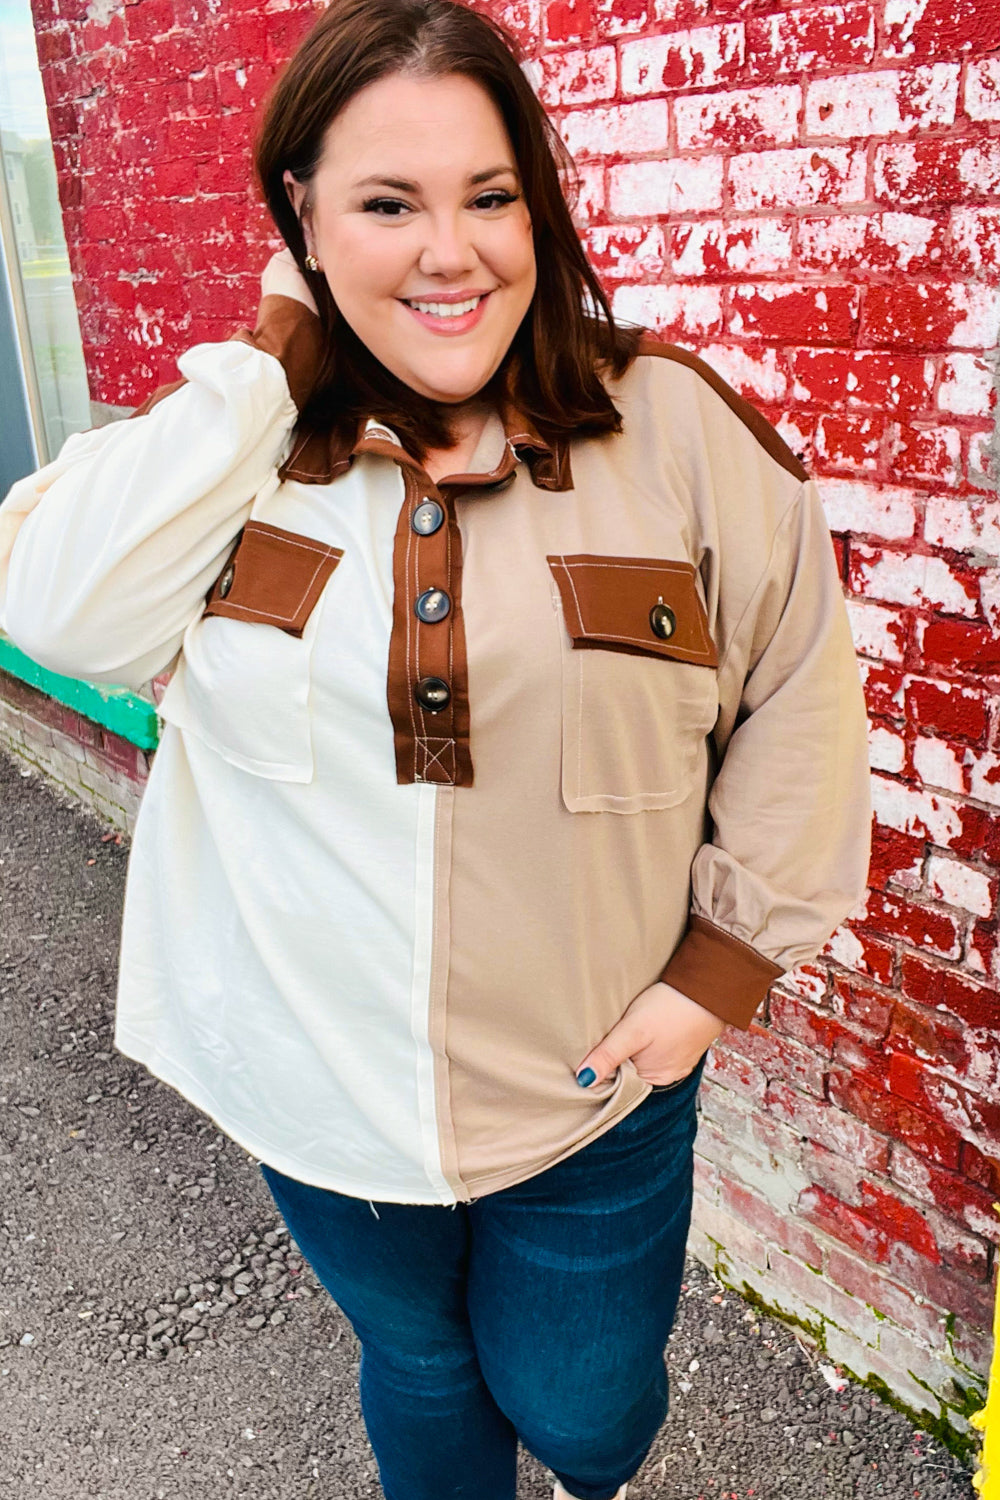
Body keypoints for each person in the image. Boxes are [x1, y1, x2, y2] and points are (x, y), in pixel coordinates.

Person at [0, 1, 873, 1496]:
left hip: (593, 1085)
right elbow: (58, 613)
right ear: (304, 218)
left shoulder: (671, 428)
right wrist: (274, 358)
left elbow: (801, 694)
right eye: (387, 204)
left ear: (537, 204)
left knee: (587, 1412)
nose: (449, 250)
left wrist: (710, 983)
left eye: (489, 196)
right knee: (417, 1369)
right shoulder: (226, 451)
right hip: (317, 1088)